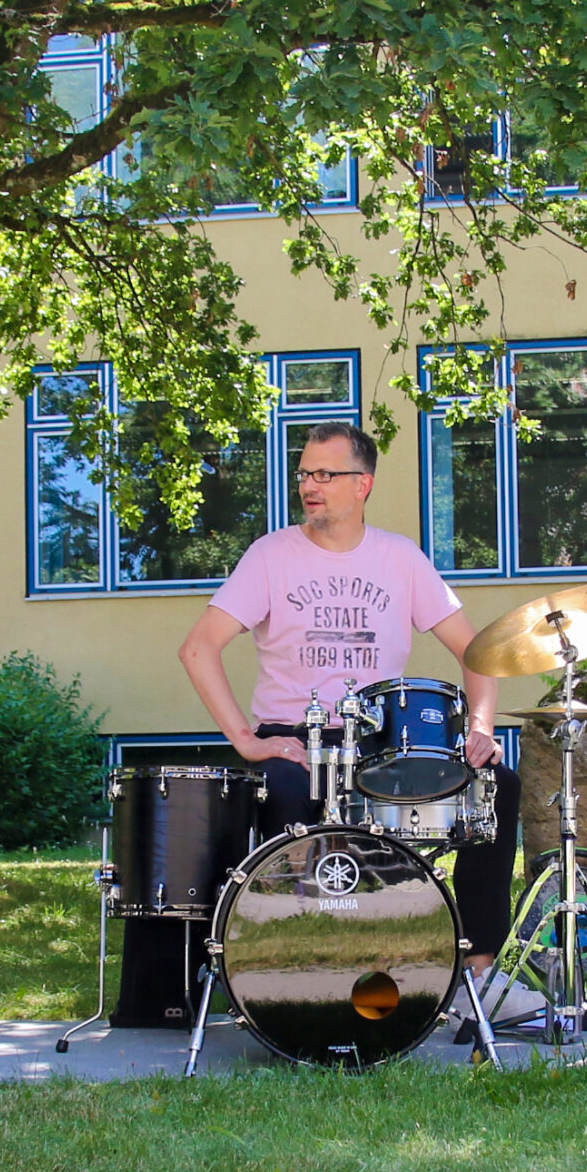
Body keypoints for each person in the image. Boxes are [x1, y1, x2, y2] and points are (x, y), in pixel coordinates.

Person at [177, 422, 533, 1017]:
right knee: (288, 794)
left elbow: (480, 654)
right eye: (304, 474)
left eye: (324, 474)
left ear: (361, 483)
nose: (308, 486)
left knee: (500, 787)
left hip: (376, 744)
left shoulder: (401, 559)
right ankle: (281, 979)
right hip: (293, 742)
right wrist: (245, 739)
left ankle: (478, 977)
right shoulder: (269, 556)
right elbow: (198, 648)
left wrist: (481, 728)